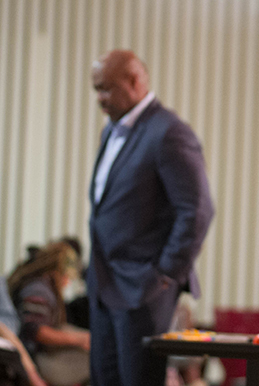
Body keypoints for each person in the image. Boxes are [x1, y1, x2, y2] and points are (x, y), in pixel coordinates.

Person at [88, 49, 214, 386]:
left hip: (143, 286)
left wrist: (163, 275)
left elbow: (197, 209)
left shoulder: (168, 132)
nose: (100, 98)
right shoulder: (111, 130)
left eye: (106, 88)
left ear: (134, 81)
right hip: (104, 282)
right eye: (95, 89)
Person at [8, 242, 90, 386]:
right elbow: (37, 331)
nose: (68, 283)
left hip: (36, 354)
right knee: (93, 360)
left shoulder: (42, 287)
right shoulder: (39, 291)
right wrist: (79, 339)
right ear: (58, 272)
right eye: (68, 277)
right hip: (34, 357)